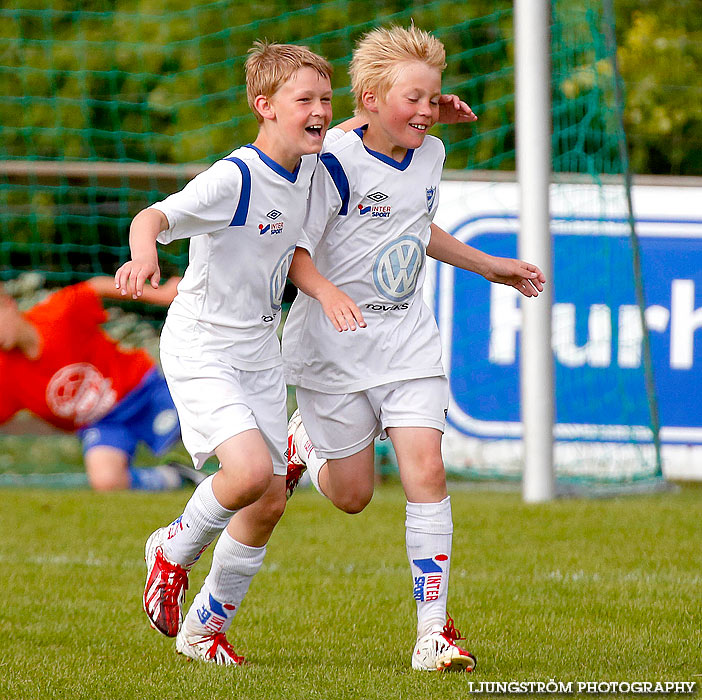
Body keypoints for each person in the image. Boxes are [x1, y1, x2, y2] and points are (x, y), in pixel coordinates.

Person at [282, 25, 546, 672]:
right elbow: (294, 250)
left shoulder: (430, 153)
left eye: (434, 97)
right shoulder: (333, 160)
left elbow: (413, 224)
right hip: (335, 343)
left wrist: (488, 266)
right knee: (352, 496)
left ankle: (433, 634)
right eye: (413, 99)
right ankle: (303, 442)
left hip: (407, 337)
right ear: (370, 98)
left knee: (426, 467)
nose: (427, 111)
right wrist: (327, 294)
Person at [114, 42, 365, 666]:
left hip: (258, 347)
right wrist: (146, 253)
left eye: (324, 99)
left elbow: (371, 119)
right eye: (303, 100)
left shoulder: (313, 158)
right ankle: (171, 549)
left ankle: (204, 632)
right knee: (251, 472)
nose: (318, 111)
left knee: (271, 498)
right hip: (202, 343)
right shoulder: (237, 177)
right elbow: (153, 216)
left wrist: (427, 105)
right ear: (265, 107)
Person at [0, 276, 202, 491]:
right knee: (106, 480)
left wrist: (160, 295)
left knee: (206, 425)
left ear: (8, 304)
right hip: (103, 424)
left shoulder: (59, 314)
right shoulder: (5, 373)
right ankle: (178, 477)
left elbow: (95, 287)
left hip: (141, 391)